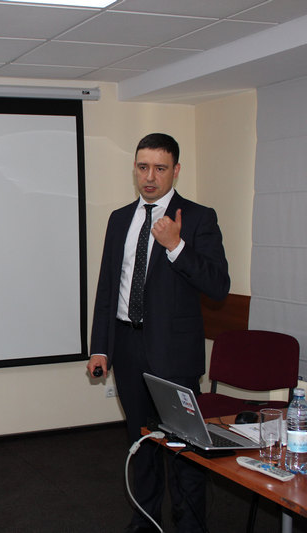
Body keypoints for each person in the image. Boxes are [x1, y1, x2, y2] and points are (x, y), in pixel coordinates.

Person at [87, 133, 230, 532]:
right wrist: (101, 348)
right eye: (143, 167)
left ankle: (189, 527)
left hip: (173, 352)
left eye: (160, 168)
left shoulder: (198, 217)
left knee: (183, 448)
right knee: (141, 441)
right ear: (135, 168)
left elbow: (218, 286)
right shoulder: (119, 219)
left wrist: (176, 245)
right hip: (126, 345)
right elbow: (108, 288)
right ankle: (146, 521)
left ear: (176, 170)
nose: (149, 177)